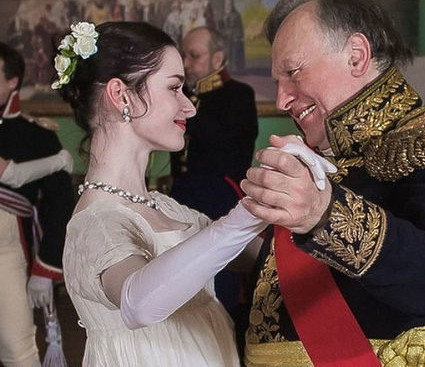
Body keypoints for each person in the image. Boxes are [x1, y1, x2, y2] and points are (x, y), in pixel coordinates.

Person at [240, 0, 425, 366]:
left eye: (293, 72)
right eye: (278, 81)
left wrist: (325, 215)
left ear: (356, 56)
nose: (282, 99)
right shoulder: (318, 154)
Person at [55, 21, 331, 366]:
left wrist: (303, 180)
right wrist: (248, 211)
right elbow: (138, 303)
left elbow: (272, 259)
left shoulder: (172, 211)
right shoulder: (96, 222)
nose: (190, 108)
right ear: (121, 95)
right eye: (174, 88)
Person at [170, 25, 258, 351]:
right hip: (181, 198)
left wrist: (184, 104)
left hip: (220, 201)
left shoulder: (239, 95)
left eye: (194, 56)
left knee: (220, 289)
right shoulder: (186, 94)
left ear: (217, 59)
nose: (185, 63)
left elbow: (221, 142)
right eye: (184, 55)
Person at [0, 42, 74, 366]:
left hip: (5, 253)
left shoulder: (36, 134)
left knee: (18, 352)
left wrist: (45, 267)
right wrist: (58, 161)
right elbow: (11, 175)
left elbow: (60, 205)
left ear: (12, 81)